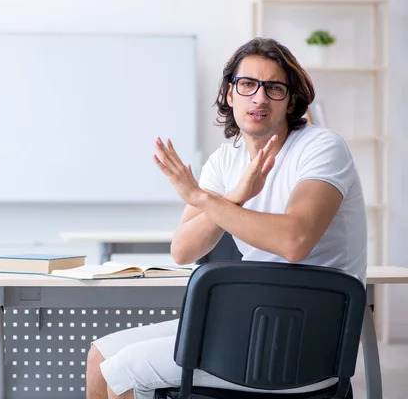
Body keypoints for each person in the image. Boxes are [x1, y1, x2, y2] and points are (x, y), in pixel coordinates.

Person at [85, 37, 368, 399]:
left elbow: (294, 242)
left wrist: (205, 198)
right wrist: (234, 196)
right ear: (230, 95)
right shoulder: (225, 159)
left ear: (292, 100)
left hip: (308, 338)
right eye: (248, 85)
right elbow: (183, 250)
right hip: (244, 322)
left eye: (274, 88)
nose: (260, 98)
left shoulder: (321, 148)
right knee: (100, 356)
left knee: (122, 372)